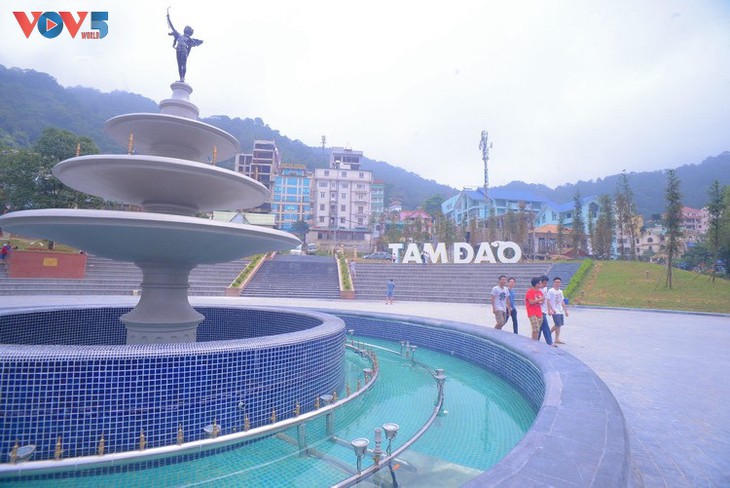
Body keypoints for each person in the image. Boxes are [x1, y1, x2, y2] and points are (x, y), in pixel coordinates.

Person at [167, 8, 204, 83]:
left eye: (187, 29)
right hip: (178, 50)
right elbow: (172, 26)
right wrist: (168, 17)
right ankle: (181, 78)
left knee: (183, 64)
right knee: (179, 64)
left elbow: (192, 45)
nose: (186, 29)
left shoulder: (189, 38)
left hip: (184, 50)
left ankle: (183, 78)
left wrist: (191, 45)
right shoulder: (179, 35)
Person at [547, 277, 569, 344]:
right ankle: (548, 333)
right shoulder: (551, 291)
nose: (557, 283)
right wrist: (550, 310)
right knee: (557, 324)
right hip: (554, 310)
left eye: (558, 282)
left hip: (560, 310)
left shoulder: (560, 291)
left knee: (559, 324)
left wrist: (565, 310)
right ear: (553, 283)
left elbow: (562, 301)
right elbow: (548, 301)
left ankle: (557, 338)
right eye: (556, 282)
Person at [524, 277, 544, 341]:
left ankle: (534, 340)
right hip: (532, 312)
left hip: (539, 312)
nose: (541, 284)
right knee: (535, 328)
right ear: (536, 284)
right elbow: (531, 302)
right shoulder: (530, 292)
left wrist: (540, 300)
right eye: (540, 283)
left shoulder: (540, 292)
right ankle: (534, 342)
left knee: (537, 329)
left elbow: (542, 301)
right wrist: (540, 299)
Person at [538, 275, 555, 346]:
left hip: (543, 310)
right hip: (539, 311)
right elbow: (539, 301)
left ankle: (535, 341)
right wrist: (541, 300)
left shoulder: (545, 289)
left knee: (540, 327)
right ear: (540, 282)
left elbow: (547, 300)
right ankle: (549, 343)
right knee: (546, 327)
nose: (545, 284)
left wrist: (549, 310)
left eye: (546, 283)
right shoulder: (538, 290)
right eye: (544, 283)